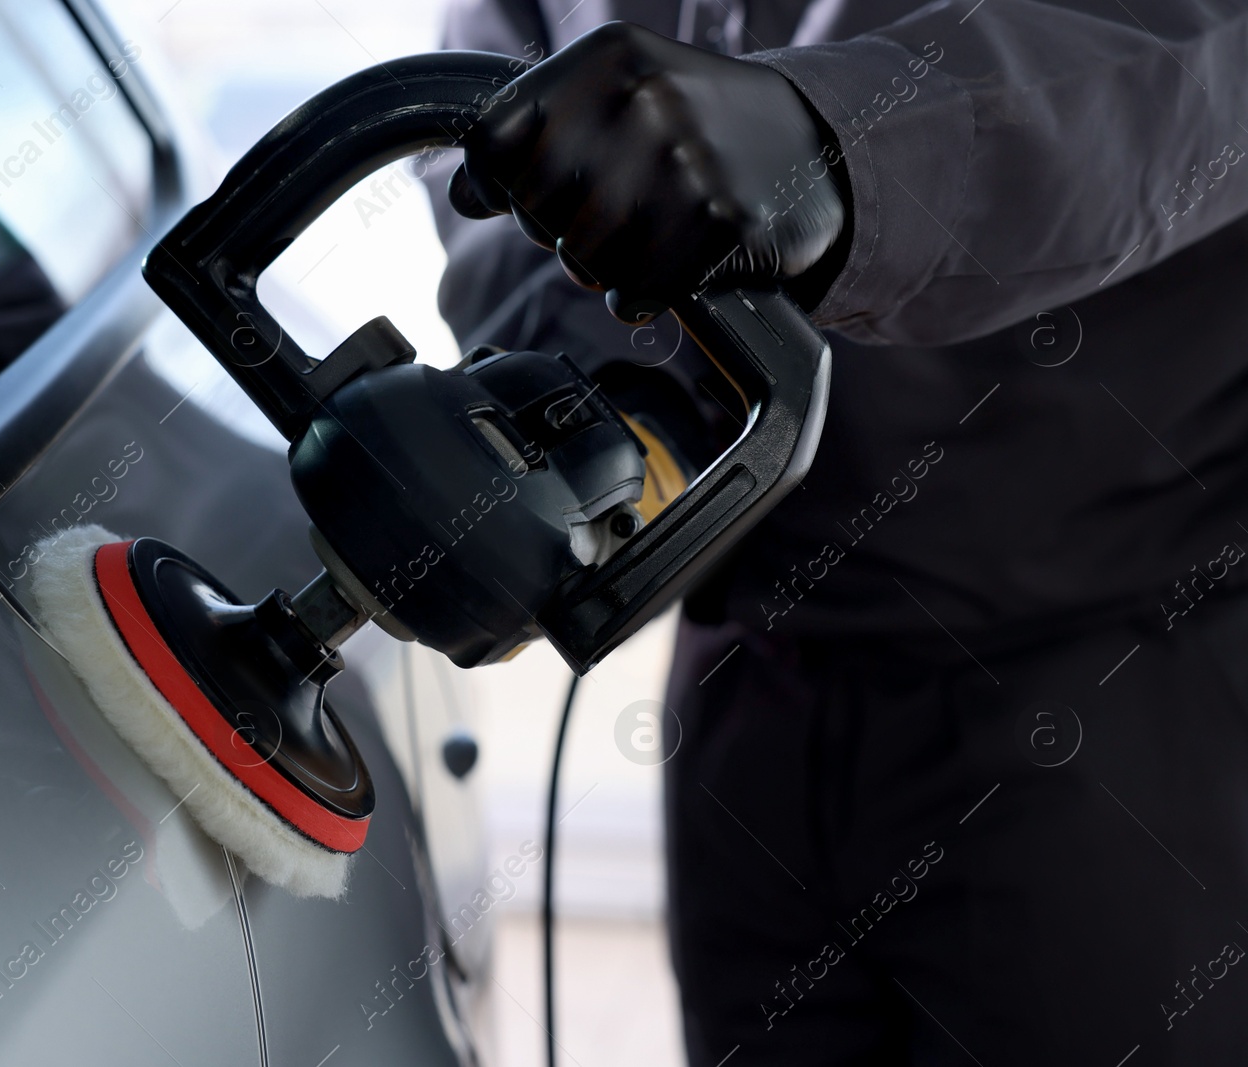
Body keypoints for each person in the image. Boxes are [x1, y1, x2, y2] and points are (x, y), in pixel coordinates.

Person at [429, 3, 1248, 1064]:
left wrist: (842, 141)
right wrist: (587, 371)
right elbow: (507, 64)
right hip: (753, 675)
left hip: (1111, 685)